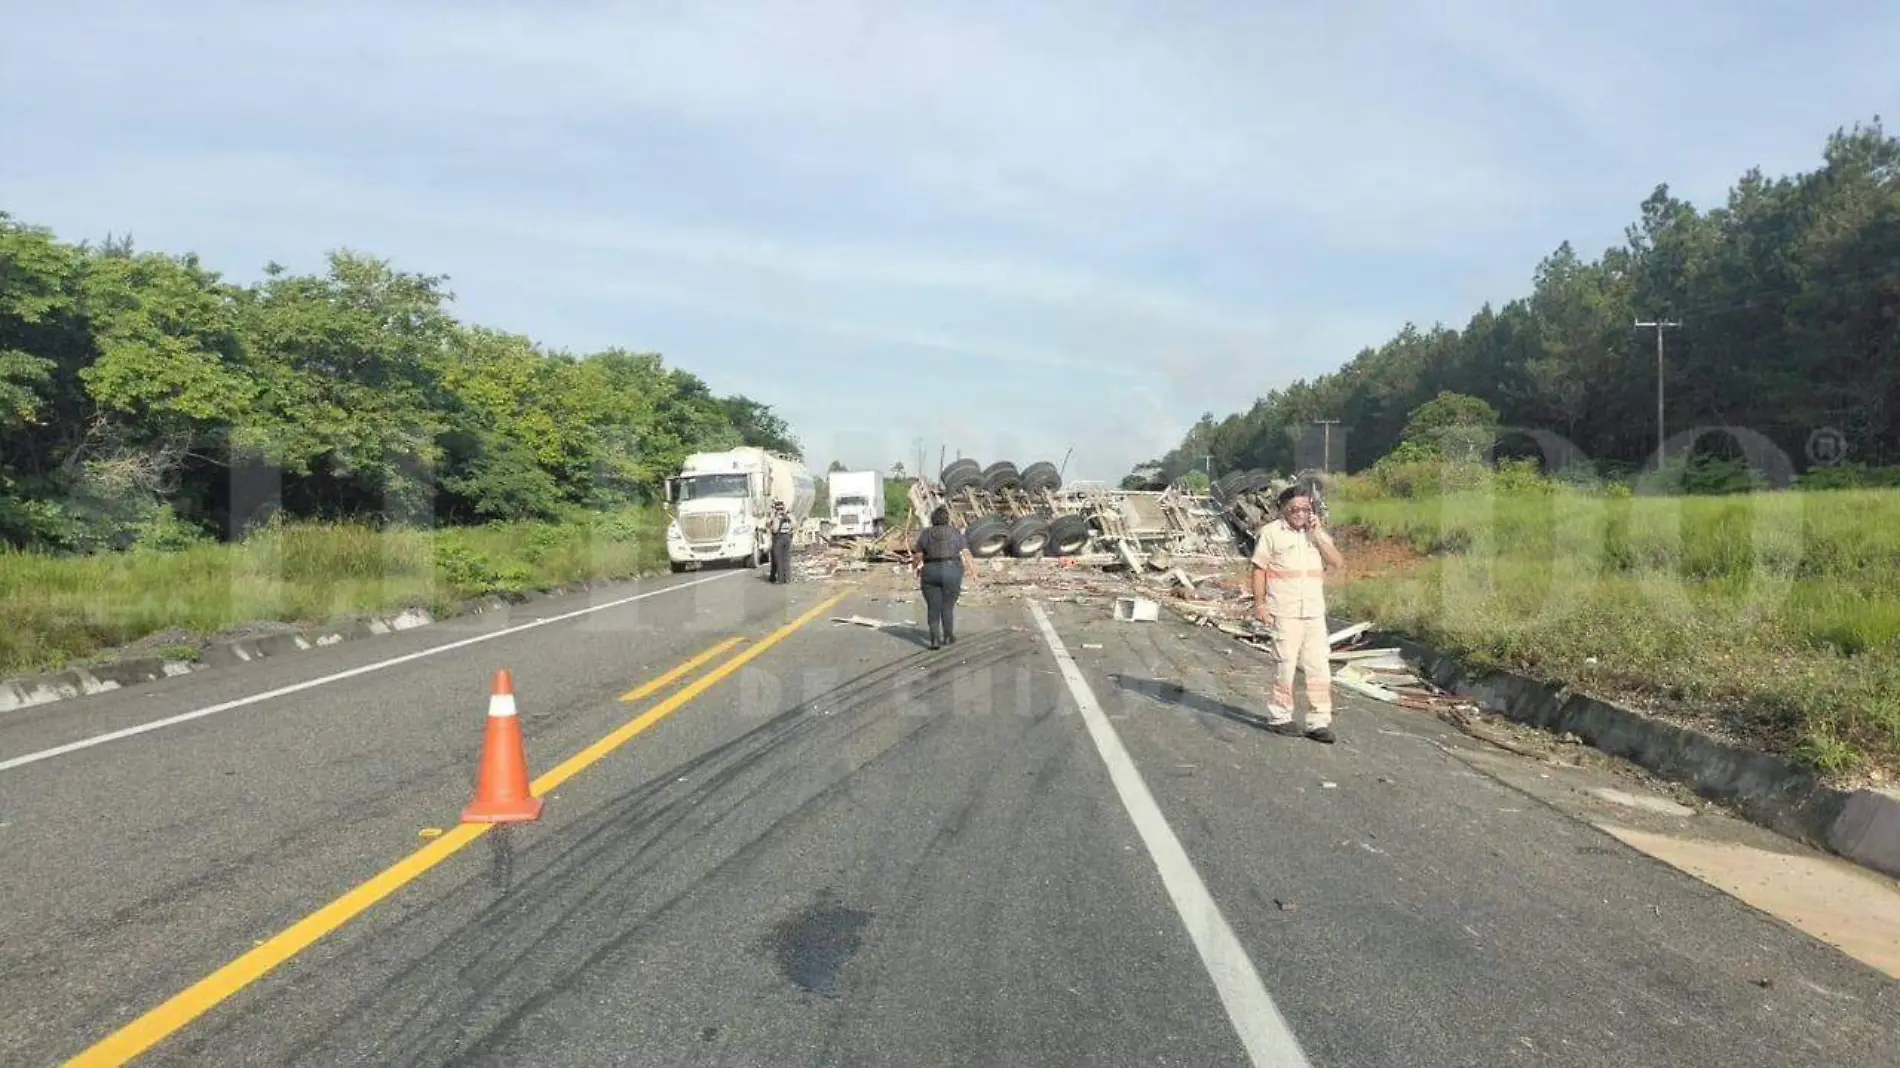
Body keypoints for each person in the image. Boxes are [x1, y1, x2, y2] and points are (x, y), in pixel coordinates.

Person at [1251, 484, 1346, 743]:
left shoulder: (1316, 533)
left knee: (1319, 669)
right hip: (1285, 611)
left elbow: (1336, 563)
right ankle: (1280, 717)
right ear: (1283, 509)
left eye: (1305, 508)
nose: (1300, 513)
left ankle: (1318, 722)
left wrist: (1317, 535)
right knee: (1285, 666)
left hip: (1314, 612)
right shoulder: (1271, 534)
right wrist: (1260, 604)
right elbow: (1259, 569)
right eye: (1294, 509)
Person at [913, 505, 974, 649]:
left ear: (933, 519)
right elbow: (966, 553)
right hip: (952, 570)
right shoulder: (955, 533)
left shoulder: (926, 534)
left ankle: (934, 639)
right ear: (947, 519)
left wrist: (916, 568)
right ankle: (948, 636)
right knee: (947, 606)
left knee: (933, 607)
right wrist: (974, 572)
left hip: (931, 571)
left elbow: (918, 556)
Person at [768, 501, 795, 584]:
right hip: (787, 538)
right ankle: (787, 578)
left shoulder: (777, 518)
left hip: (779, 539)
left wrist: (772, 521)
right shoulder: (788, 517)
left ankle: (781, 579)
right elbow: (794, 525)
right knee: (786, 559)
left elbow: (775, 529)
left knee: (779, 560)